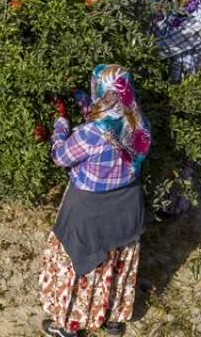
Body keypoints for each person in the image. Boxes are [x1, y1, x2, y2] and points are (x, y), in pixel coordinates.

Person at [40, 64, 152, 337]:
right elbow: (103, 113)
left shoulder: (91, 134)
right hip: (127, 206)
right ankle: (112, 320)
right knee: (117, 260)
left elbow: (60, 157)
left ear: (101, 91)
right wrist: (79, 97)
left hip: (89, 211)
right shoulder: (139, 122)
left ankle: (68, 326)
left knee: (79, 263)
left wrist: (60, 127)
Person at [148, 0, 201, 217]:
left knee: (175, 144)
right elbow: (135, 7)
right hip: (157, 83)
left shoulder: (198, 21)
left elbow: (157, 48)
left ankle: (171, 205)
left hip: (180, 90)